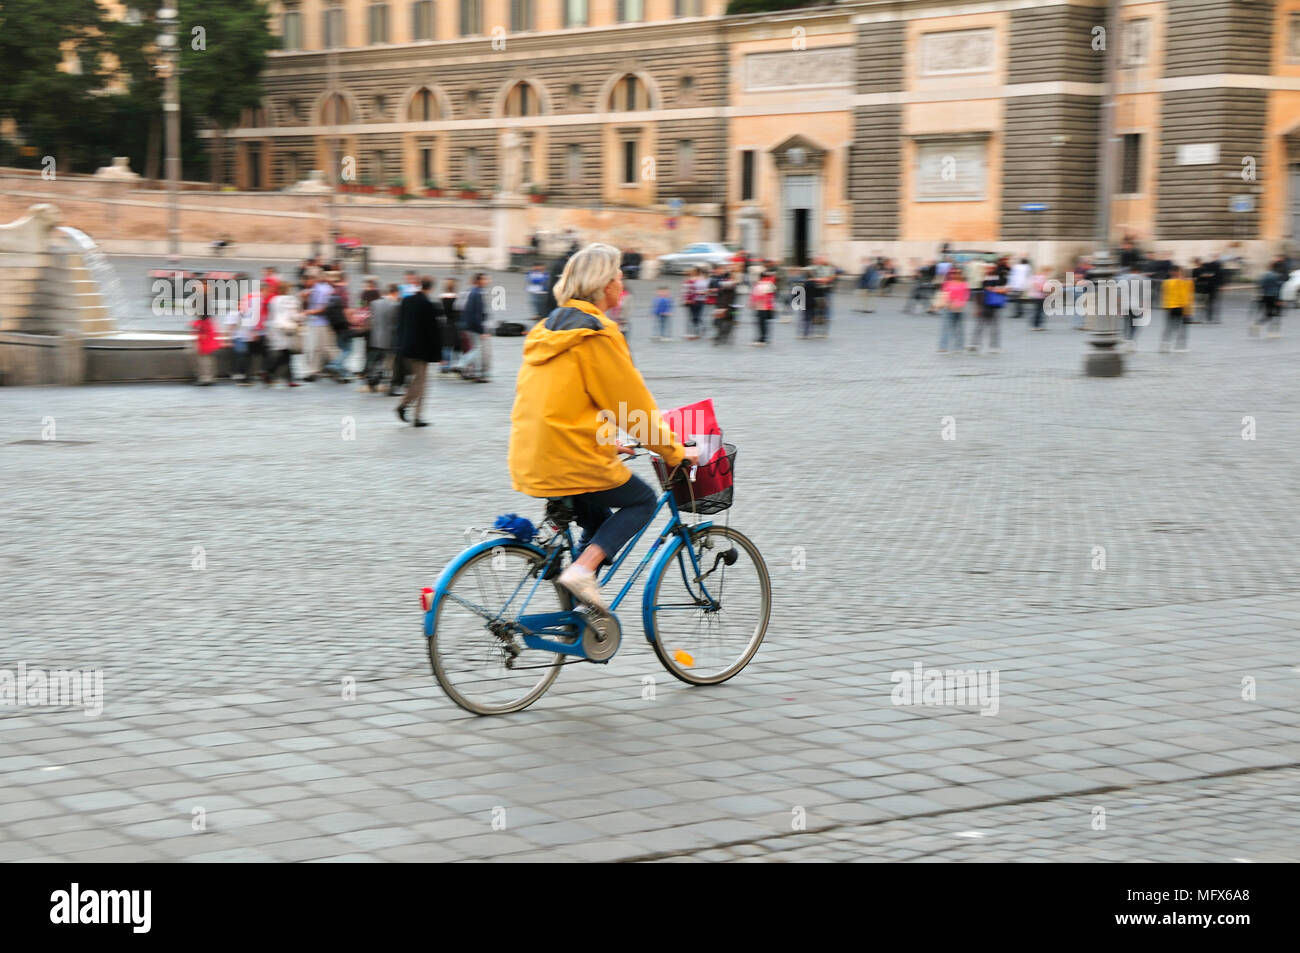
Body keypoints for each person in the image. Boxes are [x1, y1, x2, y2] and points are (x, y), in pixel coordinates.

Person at [507, 243, 701, 615]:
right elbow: (632, 409)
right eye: (618, 275)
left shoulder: (546, 330)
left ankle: (574, 614)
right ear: (603, 284)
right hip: (569, 461)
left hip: (532, 455)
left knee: (595, 516)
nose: (621, 282)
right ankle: (581, 570)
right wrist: (675, 451)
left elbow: (563, 403)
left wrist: (608, 442)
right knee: (641, 501)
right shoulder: (597, 334)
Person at [395, 278, 443, 426]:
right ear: (431, 288)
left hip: (406, 347)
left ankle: (406, 407)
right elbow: (433, 332)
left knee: (417, 380)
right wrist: (438, 355)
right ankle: (414, 414)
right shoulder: (429, 305)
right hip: (421, 351)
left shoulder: (407, 301)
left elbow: (400, 324)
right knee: (421, 383)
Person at [363, 284, 401, 392]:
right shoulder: (395, 305)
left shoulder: (374, 303)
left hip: (375, 336)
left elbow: (371, 319)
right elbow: (396, 323)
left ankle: (372, 380)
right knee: (388, 361)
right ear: (395, 292)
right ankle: (384, 381)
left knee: (375, 360)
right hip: (389, 337)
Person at [455, 272, 490, 382]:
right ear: (478, 280)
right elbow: (476, 314)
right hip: (473, 326)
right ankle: (461, 364)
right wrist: (481, 330)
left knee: (476, 349)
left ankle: (476, 373)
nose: (487, 281)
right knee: (477, 350)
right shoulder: (476, 293)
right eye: (485, 279)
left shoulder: (474, 292)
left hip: (468, 325)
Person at [265, 285, 303, 387]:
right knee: (286, 354)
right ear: (288, 290)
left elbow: (271, 316)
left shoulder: (273, 300)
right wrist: (301, 317)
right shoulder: (291, 299)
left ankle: (285, 378)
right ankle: (271, 372)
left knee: (284, 353)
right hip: (288, 328)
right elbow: (293, 315)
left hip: (276, 328)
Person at [302, 271, 337, 381]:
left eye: (306, 280)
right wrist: (305, 299)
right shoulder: (313, 290)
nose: (305, 283)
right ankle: (315, 370)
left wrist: (310, 312)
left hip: (322, 323)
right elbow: (307, 306)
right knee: (315, 348)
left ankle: (337, 366)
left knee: (321, 348)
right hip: (314, 322)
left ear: (313, 279)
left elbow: (324, 308)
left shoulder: (323, 290)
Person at [1159, 264, 1193, 353]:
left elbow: (1164, 295)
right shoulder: (1186, 282)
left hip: (1170, 307)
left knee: (1169, 327)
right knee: (1182, 328)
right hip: (1182, 307)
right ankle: (1180, 347)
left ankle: (1164, 346)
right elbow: (1187, 297)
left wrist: (1165, 306)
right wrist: (1188, 311)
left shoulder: (1166, 282)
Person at [191, 286, 220, 385]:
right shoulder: (207, 306)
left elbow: (202, 322)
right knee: (207, 358)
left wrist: (196, 326)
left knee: (204, 358)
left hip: (205, 337)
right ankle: (209, 377)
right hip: (208, 335)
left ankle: (205, 378)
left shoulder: (203, 310)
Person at [937, 270, 968, 353]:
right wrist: (947, 303)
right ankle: (943, 347)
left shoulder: (963, 284)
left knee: (959, 328)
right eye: (952, 273)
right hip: (948, 307)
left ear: (960, 274)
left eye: (957, 273)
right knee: (946, 328)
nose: (954, 275)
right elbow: (944, 294)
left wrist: (960, 303)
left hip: (959, 308)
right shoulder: (947, 283)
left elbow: (966, 296)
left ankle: (959, 347)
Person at [1252, 262, 1284, 338]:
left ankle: (1257, 325)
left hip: (1265, 297)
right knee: (1275, 314)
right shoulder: (1278, 276)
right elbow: (1279, 289)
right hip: (1274, 297)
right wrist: (1279, 299)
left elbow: (1261, 285)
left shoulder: (1265, 275)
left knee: (1268, 314)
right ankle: (1272, 332)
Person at [1192, 257, 1222, 324]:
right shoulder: (1195, 270)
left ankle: (1209, 317)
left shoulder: (1205, 268)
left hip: (1208, 287)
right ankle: (1201, 318)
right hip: (1200, 288)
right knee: (1202, 304)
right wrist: (1201, 277)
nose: (1198, 263)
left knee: (1209, 303)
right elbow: (1194, 279)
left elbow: (1213, 275)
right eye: (1196, 262)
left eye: (1198, 262)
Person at [439, 277, 461, 371]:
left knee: (445, 346)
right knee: (456, 345)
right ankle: (455, 365)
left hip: (444, 323)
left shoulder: (441, 298)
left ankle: (445, 365)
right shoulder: (457, 298)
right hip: (454, 324)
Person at [750, 270, 775, 346]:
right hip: (768, 307)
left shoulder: (760, 284)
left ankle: (762, 339)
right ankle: (764, 338)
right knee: (765, 323)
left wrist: (752, 303)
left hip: (760, 307)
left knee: (761, 324)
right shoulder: (770, 284)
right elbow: (771, 296)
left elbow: (756, 296)